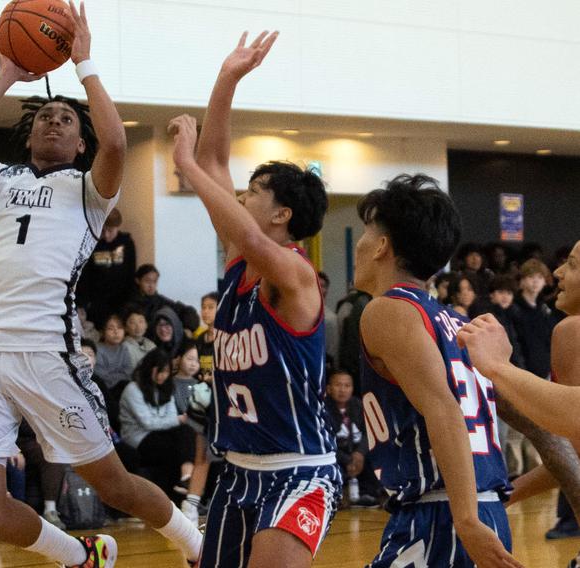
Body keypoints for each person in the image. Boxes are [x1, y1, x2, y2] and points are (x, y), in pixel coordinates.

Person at [0, 4, 201, 566]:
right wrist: (9, 71)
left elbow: (116, 146)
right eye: (44, 116)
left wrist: (84, 62)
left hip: (45, 353)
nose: (54, 121)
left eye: (67, 119)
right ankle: (81, 556)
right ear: (29, 132)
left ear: (79, 142)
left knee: (113, 483)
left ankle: (196, 545)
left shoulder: (88, 192)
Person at [169, 29, 340, 567]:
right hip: (237, 468)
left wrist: (188, 168)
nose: (239, 196)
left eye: (253, 192)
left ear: (282, 214)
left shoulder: (293, 274)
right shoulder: (240, 265)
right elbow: (215, 159)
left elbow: (229, 209)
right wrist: (228, 78)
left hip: (298, 471)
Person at [351, 173, 518, 567]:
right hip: (477, 507)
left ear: (381, 246)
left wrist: (465, 518)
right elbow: (534, 424)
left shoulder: (387, 310)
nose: (358, 244)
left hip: (442, 515)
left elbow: (444, 409)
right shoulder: (457, 322)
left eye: (364, 233)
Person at [459, 240, 580, 568]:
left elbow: (574, 418)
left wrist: (498, 367)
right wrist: (500, 498)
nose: (557, 273)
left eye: (572, 264)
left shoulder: (572, 329)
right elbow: (572, 454)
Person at [118, 348, 196, 498]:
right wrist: (177, 419)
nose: (162, 375)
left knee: (187, 431)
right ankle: (178, 493)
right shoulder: (132, 389)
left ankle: (186, 478)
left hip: (160, 433)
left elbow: (171, 416)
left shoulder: (165, 388)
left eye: (166, 371)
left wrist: (176, 420)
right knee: (173, 447)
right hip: (138, 438)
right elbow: (148, 423)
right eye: (159, 370)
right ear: (149, 368)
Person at [323, 370, 380, 507]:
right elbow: (324, 439)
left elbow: (369, 432)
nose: (342, 390)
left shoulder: (358, 405)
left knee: (376, 454)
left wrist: (360, 453)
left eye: (347, 386)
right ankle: (336, 496)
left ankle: (369, 494)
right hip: (337, 453)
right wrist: (347, 459)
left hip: (357, 452)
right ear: (329, 388)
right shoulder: (323, 408)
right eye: (338, 385)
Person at [77, 207, 136, 326]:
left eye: (110, 231)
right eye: (103, 230)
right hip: (96, 302)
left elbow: (130, 273)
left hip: (121, 301)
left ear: (118, 227)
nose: (106, 235)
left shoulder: (126, 242)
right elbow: (85, 275)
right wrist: (83, 303)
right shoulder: (92, 242)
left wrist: (129, 301)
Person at [129, 264, 200, 334]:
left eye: (154, 281)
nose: (151, 285)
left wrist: (189, 328)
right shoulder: (130, 304)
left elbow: (188, 311)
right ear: (138, 280)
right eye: (147, 281)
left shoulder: (162, 301)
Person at [94, 313, 133, 392]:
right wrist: (121, 376)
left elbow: (128, 373)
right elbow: (102, 377)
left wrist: (114, 376)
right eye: (110, 328)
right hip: (104, 391)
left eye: (120, 327)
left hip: (124, 388)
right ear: (103, 332)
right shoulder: (97, 349)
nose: (116, 332)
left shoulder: (123, 348)